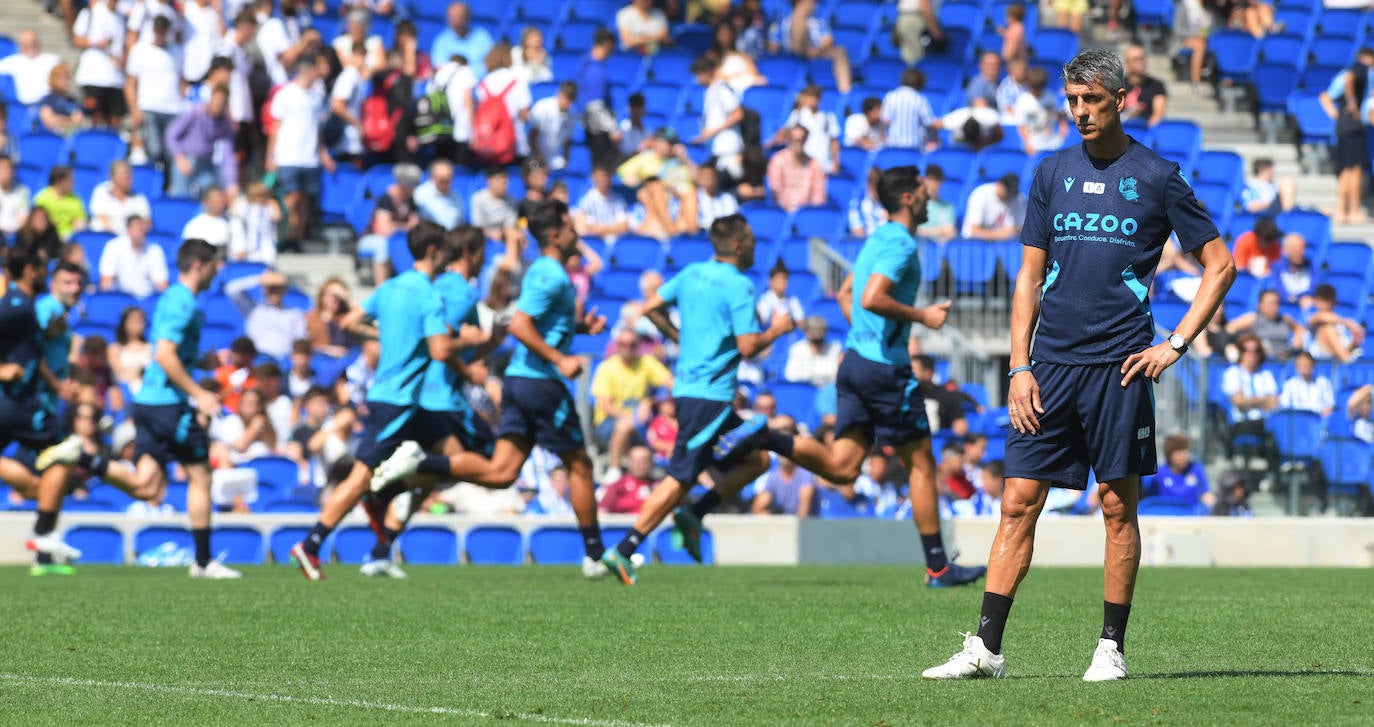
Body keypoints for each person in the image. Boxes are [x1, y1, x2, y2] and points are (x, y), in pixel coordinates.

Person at [923, 49, 1235, 682]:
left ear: (1122, 99)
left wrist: (1173, 344)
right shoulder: (1050, 171)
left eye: (1091, 100)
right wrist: (1018, 367)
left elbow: (1220, 264)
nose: (1079, 112)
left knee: (1118, 508)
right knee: (1017, 503)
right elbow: (1028, 278)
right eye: (1071, 100)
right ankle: (985, 648)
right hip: (1049, 368)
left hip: (1120, 369)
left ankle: (1110, 648)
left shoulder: (1157, 175)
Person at [724, 166, 986, 589]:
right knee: (921, 463)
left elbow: (846, 295)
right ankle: (938, 567)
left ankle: (765, 435)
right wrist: (923, 315)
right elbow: (869, 297)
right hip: (885, 368)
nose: (927, 198)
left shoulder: (876, 239)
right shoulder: (899, 244)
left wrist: (864, 336)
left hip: (855, 362)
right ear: (907, 199)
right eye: (922, 192)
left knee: (843, 468)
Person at [367, 202, 618, 580]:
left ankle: (405, 491)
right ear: (553, 235)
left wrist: (579, 330)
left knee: (500, 473)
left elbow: (529, 325)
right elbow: (519, 326)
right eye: (569, 228)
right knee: (579, 465)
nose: (576, 233)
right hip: (536, 385)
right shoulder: (545, 275)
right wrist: (558, 359)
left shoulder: (547, 274)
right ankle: (596, 555)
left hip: (519, 383)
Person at [597, 214, 793, 583]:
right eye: (750, 238)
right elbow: (749, 346)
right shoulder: (739, 285)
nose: (755, 244)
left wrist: (677, 337)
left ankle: (695, 512)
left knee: (757, 460)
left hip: (692, 391)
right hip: (710, 397)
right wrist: (778, 330)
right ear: (737, 245)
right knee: (679, 478)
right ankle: (623, 550)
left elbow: (649, 307)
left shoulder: (691, 274)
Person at [44, 240, 245, 577]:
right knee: (201, 475)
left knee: (146, 486)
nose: (218, 270)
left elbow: (168, 352)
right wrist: (199, 393)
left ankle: (81, 458)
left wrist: (200, 361)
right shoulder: (182, 301)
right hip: (169, 406)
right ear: (199, 265)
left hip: (149, 403)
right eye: (214, 264)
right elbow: (164, 354)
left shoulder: (175, 299)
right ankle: (203, 562)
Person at [287, 223, 464, 580]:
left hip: (399, 400)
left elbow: (351, 321)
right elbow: (440, 350)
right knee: (358, 478)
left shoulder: (390, 287)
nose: (447, 258)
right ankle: (310, 545)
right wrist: (473, 338)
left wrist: (384, 333)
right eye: (444, 251)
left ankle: (384, 510)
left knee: (452, 459)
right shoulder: (428, 295)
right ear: (433, 251)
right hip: (397, 402)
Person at [360, 225, 501, 577]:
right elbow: (443, 344)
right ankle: (396, 481)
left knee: (432, 481)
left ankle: (381, 549)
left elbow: (452, 342)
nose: (487, 258)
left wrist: (488, 343)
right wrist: (476, 352)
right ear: (470, 252)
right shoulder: (460, 293)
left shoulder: (438, 285)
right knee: (486, 464)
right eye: (483, 250)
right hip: (442, 400)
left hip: (430, 395)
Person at [267, 55, 334, 248]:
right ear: (306, 71)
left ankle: (297, 238)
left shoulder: (317, 96)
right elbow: (275, 127)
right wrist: (271, 156)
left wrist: (322, 153)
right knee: (291, 198)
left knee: (304, 199)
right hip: (288, 156)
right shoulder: (285, 94)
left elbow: (317, 128)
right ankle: (283, 236)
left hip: (310, 158)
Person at [591, 328, 672, 479]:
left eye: (632, 344)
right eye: (623, 344)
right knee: (625, 424)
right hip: (608, 424)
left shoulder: (646, 362)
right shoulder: (607, 368)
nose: (627, 348)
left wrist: (650, 401)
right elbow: (607, 407)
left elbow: (672, 384)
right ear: (617, 345)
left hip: (640, 423)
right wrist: (634, 417)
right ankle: (614, 470)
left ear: (638, 345)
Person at [123, 16, 185, 171]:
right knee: (154, 150)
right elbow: (130, 83)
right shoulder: (140, 50)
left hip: (172, 109)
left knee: (171, 152)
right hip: (149, 107)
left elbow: (182, 82)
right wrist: (134, 108)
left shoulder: (177, 51)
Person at [355, 162, 422, 283]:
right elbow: (383, 229)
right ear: (403, 184)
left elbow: (416, 224)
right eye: (413, 184)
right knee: (382, 246)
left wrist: (397, 226)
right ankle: (381, 287)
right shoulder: (386, 199)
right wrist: (405, 226)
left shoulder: (410, 200)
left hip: (397, 239)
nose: (415, 188)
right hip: (371, 238)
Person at [165, 85, 236, 198]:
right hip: (186, 160)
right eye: (215, 100)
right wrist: (179, 157)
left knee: (212, 196)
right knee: (182, 198)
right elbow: (171, 134)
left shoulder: (224, 124)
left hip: (206, 164)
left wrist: (232, 181)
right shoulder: (195, 112)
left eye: (221, 103)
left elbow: (228, 154)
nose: (217, 105)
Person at [767, 0, 852, 93]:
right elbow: (772, 48)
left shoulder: (818, 22)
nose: (815, 5)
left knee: (840, 52)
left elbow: (828, 41)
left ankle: (845, 93)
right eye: (812, 2)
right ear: (802, 3)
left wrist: (816, 51)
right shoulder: (781, 23)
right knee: (799, 22)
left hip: (815, 53)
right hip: (790, 54)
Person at [72, 0, 128, 129]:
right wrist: (96, 43)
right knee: (94, 120)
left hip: (116, 78)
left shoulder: (122, 17)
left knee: (115, 121)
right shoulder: (91, 12)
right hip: (94, 76)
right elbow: (76, 39)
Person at [691, 53, 745, 181]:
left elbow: (738, 114)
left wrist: (711, 132)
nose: (696, 79)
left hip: (728, 149)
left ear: (707, 72)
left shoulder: (721, 89)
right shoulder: (711, 91)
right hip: (717, 149)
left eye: (698, 74)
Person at [97, 216, 167, 298]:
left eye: (142, 229)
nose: (139, 232)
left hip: (145, 298)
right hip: (121, 298)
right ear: (128, 230)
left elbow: (162, 285)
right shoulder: (113, 246)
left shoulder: (155, 250)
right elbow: (106, 282)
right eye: (136, 228)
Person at [1226, 289, 1304, 361]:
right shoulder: (1253, 318)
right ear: (1260, 305)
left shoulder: (1285, 319)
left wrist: (1298, 338)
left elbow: (1299, 328)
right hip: (1262, 361)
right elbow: (1230, 327)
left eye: (1276, 302)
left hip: (1285, 358)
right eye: (1270, 303)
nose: (1274, 306)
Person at [778, 85, 840, 174]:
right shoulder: (797, 115)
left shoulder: (828, 117)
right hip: (802, 162)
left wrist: (835, 162)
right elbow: (785, 135)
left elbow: (834, 143)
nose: (813, 100)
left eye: (815, 97)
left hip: (823, 162)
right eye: (810, 97)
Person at [767, 125, 828, 212]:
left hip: (807, 214)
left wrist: (809, 212)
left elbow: (818, 195)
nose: (798, 143)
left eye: (801, 139)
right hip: (782, 213)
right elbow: (775, 189)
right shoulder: (778, 161)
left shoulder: (814, 164)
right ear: (788, 139)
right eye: (794, 139)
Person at [430, 2, 495, 78]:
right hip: (453, 86)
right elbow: (439, 68)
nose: (457, 21)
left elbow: (493, 62)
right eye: (452, 17)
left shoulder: (482, 36)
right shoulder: (441, 41)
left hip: (481, 84)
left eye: (460, 16)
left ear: (468, 17)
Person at [1305, 283, 1365, 363]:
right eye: (1322, 300)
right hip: (1316, 360)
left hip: (1336, 361)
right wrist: (1347, 323)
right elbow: (1321, 317)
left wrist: (1354, 343)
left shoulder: (1340, 325)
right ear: (1315, 301)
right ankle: (1348, 362)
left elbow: (1343, 349)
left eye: (1328, 300)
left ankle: (1349, 362)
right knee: (1327, 329)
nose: (1326, 304)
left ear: (1334, 302)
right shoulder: (1313, 316)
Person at [1151, 434, 1212, 511]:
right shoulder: (1158, 473)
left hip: (1190, 517)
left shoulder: (1196, 469)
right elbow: (1151, 500)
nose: (1183, 456)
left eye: (1185, 451)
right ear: (1169, 455)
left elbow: (1207, 495)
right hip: (1164, 516)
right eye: (1179, 452)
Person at [0, 31, 62, 106]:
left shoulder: (53, 60)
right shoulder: (13, 61)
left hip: (51, 103)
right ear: (20, 45)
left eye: (32, 42)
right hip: (26, 106)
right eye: (26, 43)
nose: (30, 46)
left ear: (38, 43)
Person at [88, 161, 151, 235]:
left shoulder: (139, 197)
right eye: (126, 177)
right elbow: (101, 217)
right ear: (113, 177)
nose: (130, 180)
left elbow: (146, 222)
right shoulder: (101, 191)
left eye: (130, 177)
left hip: (132, 241)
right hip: (109, 237)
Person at [527, 81, 578, 169]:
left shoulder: (571, 114)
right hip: (533, 156)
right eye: (566, 99)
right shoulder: (542, 107)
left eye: (570, 101)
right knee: (534, 170)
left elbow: (567, 140)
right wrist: (538, 156)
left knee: (562, 172)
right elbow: (532, 135)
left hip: (553, 159)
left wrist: (566, 159)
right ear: (560, 94)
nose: (568, 104)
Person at [881, 69, 936, 150]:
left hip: (893, 148)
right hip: (914, 149)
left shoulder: (890, 97)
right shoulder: (919, 99)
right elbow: (929, 122)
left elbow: (884, 120)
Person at [573, 166, 631, 241]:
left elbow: (624, 227)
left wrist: (601, 229)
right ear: (593, 178)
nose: (603, 181)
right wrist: (613, 229)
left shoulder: (619, 200)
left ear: (610, 178)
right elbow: (586, 228)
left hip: (616, 242)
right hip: (596, 243)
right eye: (600, 178)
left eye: (606, 177)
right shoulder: (586, 201)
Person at [228, 182, 281, 265]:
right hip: (249, 244)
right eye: (257, 196)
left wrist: (273, 203)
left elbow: (277, 217)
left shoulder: (269, 207)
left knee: (269, 266)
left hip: (267, 244)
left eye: (263, 196)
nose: (260, 199)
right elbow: (233, 210)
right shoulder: (246, 206)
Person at [961, 174, 1025, 240]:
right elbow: (973, 231)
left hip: (1005, 246)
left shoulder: (1019, 199)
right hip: (974, 245)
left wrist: (1012, 231)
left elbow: (1022, 228)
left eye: (1011, 193)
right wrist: (1000, 234)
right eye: (1007, 192)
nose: (1008, 195)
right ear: (999, 185)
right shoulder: (980, 194)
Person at [32, 167, 87, 242]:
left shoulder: (76, 200)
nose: (73, 183)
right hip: (46, 239)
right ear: (58, 181)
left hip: (68, 240)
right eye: (70, 180)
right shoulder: (42, 198)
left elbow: (80, 222)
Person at [784, 315, 842, 386]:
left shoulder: (834, 348)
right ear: (806, 332)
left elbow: (837, 376)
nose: (817, 335)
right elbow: (791, 376)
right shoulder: (797, 349)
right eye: (813, 331)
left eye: (820, 331)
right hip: (805, 390)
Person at [599, 445, 658, 514]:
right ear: (629, 462)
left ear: (651, 463)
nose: (640, 465)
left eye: (644, 461)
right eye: (636, 461)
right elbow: (602, 512)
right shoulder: (617, 486)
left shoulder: (659, 487)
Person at [1121, 44, 1167, 128]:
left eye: (1142, 58)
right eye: (1136, 59)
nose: (1141, 62)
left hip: (1145, 132)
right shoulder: (1118, 85)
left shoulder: (1157, 85)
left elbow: (1158, 114)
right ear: (1127, 64)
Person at [414, 159, 466, 231]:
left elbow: (460, 221)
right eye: (442, 181)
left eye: (448, 180)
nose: (446, 184)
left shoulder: (456, 196)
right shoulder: (420, 194)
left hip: (451, 236)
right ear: (432, 177)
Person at [1265, 233, 1315, 307]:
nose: (1299, 251)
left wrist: (1308, 298)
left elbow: (1314, 288)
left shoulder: (1312, 267)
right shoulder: (1276, 268)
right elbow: (1278, 290)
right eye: (1294, 248)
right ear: (1284, 250)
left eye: (1302, 248)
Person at [1279, 350, 1334, 416]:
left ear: (1313, 365)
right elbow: (1284, 405)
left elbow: (1331, 405)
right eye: (1301, 365)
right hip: (1298, 419)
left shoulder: (1324, 382)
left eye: (1307, 364)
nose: (1305, 367)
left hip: (1319, 420)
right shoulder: (1290, 384)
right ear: (1296, 367)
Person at [109, 306, 153, 388]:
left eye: (140, 321)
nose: (137, 325)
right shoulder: (115, 348)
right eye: (133, 321)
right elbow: (118, 375)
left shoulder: (152, 347)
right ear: (124, 323)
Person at [38, 63, 86, 136]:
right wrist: (70, 120)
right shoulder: (47, 100)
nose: (66, 82)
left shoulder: (73, 100)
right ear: (53, 79)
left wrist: (57, 119)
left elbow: (79, 120)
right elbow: (49, 121)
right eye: (62, 78)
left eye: (68, 78)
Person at [756, 259, 805, 326]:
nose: (783, 283)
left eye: (785, 279)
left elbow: (801, 322)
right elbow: (763, 321)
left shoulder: (793, 300)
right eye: (779, 279)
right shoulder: (764, 300)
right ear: (770, 282)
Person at [916, 165, 957, 243]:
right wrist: (940, 231)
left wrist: (922, 232)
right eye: (931, 179)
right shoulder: (915, 203)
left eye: (937, 180)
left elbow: (950, 231)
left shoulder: (947, 207)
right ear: (925, 180)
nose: (934, 183)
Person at [0, 156, 31, 240]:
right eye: (4, 168)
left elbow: (23, 219)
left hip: (14, 237)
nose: (9, 171)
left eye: (12, 168)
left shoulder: (22, 191)